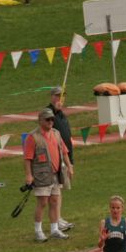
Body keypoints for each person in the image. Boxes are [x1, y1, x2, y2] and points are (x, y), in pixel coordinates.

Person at [23, 108, 74, 242]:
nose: (51, 121)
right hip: (41, 175)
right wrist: (28, 175)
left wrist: (69, 167)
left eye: (52, 119)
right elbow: (27, 158)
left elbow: (64, 151)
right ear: (40, 121)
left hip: (56, 173)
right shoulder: (32, 137)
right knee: (43, 202)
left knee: (55, 201)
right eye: (47, 119)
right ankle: (38, 231)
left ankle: (54, 229)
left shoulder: (56, 133)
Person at [47, 86, 75, 233]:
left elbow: (67, 140)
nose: (59, 99)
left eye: (62, 96)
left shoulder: (62, 115)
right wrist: (55, 110)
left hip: (64, 158)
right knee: (55, 191)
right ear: (52, 97)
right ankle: (56, 220)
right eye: (57, 96)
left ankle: (59, 217)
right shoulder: (49, 113)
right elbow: (48, 124)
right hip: (55, 159)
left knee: (60, 190)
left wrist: (71, 162)